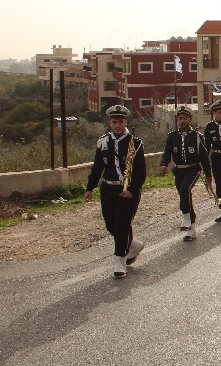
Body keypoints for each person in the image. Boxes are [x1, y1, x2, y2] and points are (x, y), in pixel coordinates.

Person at [85, 105, 147, 278]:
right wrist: (90, 188)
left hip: (127, 190)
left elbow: (141, 171)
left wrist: (132, 190)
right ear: (110, 123)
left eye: (120, 121)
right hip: (108, 189)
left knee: (122, 224)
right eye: (114, 122)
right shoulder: (103, 141)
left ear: (125, 122)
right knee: (111, 224)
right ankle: (133, 245)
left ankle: (120, 261)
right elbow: (97, 167)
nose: (117, 125)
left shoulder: (135, 142)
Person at [159, 105, 211, 242]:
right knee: (185, 196)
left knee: (185, 189)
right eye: (180, 118)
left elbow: (204, 157)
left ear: (190, 120)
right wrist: (164, 164)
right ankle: (191, 229)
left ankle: (185, 218)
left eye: (185, 118)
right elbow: (166, 153)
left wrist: (208, 174)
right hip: (178, 169)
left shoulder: (197, 136)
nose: (182, 121)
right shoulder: (172, 137)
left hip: (193, 168)